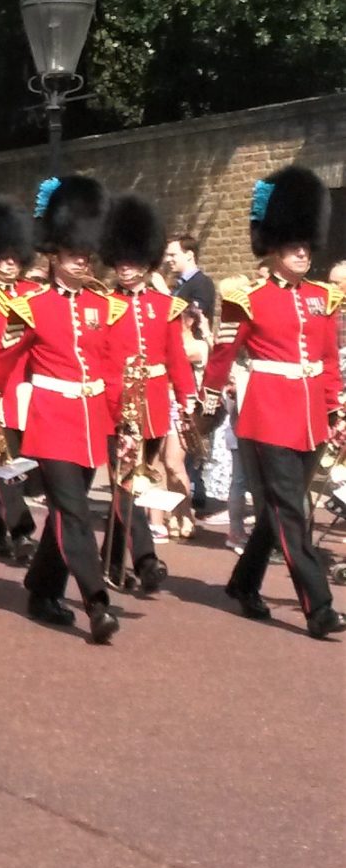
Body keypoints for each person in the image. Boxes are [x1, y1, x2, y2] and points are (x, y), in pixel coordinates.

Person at [205, 166, 344, 640]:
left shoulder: (324, 299)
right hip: (267, 414)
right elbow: (223, 353)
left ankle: (243, 583)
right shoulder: (247, 299)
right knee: (291, 513)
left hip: (309, 417)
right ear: (275, 248)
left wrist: (333, 408)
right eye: (293, 246)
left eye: (306, 246)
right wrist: (206, 400)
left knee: (275, 514)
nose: (303, 253)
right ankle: (318, 605)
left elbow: (327, 361)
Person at [0, 176, 121, 645]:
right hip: (52, 417)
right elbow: (1, 362)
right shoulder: (30, 306)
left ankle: (41, 588)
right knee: (76, 513)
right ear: (54, 255)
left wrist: (122, 417)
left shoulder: (105, 306)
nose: (82, 260)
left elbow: (111, 367)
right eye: (72, 253)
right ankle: (96, 602)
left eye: (86, 253)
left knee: (66, 514)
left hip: (91, 420)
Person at [99, 192, 198, 595]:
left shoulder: (166, 306)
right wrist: (113, 403)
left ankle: (110, 557)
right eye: (121, 261)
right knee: (127, 484)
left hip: (155, 405)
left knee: (133, 485)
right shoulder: (104, 305)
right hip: (118, 406)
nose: (126, 268)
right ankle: (145, 559)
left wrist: (187, 396)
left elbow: (176, 356)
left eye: (134, 260)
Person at [0, 197, 39, 561]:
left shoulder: (35, 295)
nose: (10, 263)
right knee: (9, 465)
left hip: (33, 393)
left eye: (15, 256)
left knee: (13, 466)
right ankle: (22, 531)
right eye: (3, 256)